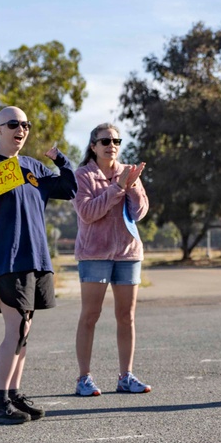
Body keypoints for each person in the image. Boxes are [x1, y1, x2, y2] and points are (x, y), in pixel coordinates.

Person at [0, 106, 77, 425]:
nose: (21, 129)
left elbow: (69, 189)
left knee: (25, 330)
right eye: (13, 123)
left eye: (25, 124)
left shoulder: (33, 167)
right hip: (6, 260)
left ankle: (13, 395)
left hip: (36, 258)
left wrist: (60, 160)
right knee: (15, 329)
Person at [72, 123, 151, 396]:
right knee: (90, 315)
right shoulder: (82, 176)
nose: (111, 145)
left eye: (116, 140)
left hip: (128, 253)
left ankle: (126, 376)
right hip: (94, 253)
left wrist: (132, 186)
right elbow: (88, 212)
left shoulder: (127, 172)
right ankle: (84, 378)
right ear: (93, 146)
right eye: (105, 140)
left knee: (126, 316)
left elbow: (139, 213)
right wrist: (117, 186)